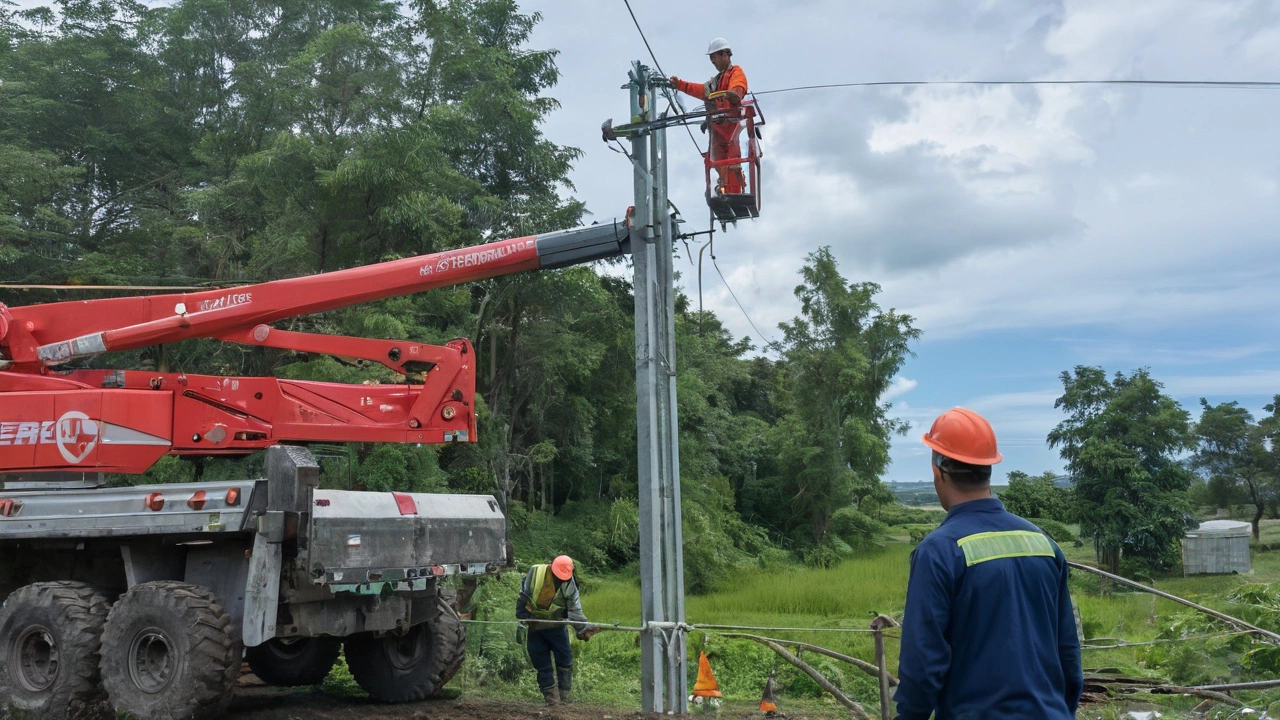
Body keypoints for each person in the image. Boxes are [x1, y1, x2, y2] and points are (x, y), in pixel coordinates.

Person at [895, 407, 1083, 720]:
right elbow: (1067, 649)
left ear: (939, 471)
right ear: (988, 470)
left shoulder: (939, 551)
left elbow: (923, 666)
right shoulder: (1044, 543)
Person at [515, 555, 600, 705]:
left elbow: (574, 608)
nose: (560, 579)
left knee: (564, 660)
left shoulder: (570, 583)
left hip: (557, 625)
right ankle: (552, 699)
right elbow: (524, 593)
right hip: (535, 625)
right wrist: (522, 615)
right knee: (541, 662)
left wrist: (582, 628)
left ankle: (564, 697)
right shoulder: (536, 571)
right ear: (552, 567)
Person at [670, 37, 748, 194]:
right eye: (711, 58)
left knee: (732, 160)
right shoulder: (716, 81)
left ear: (725, 54)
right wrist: (680, 84)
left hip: (730, 126)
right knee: (716, 160)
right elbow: (701, 91)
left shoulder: (735, 72)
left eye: (714, 57)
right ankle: (725, 190)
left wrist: (734, 94)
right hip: (718, 128)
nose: (712, 61)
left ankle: (735, 191)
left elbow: (738, 87)